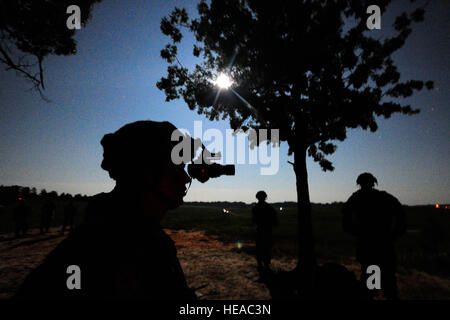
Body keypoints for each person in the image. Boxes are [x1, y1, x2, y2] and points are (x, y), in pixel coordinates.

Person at [14, 120, 203, 299]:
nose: (185, 178)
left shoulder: (147, 236)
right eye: (177, 168)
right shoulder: (93, 248)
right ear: (145, 174)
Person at [342, 172, 406, 300]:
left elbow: (346, 219)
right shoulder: (384, 197)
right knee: (387, 281)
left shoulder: (357, 198)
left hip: (369, 247)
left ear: (359, 184)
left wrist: (356, 232)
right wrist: (396, 234)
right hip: (384, 245)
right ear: (373, 183)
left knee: (372, 282)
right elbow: (400, 213)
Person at [252, 191, 278, 273]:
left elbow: (254, 220)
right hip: (267, 231)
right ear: (265, 197)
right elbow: (275, 220)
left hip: (260, 230)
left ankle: (260, 264)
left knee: (259, 247)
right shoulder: (270, 208)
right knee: (267, 247)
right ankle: (266, 264)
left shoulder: (255, 208)